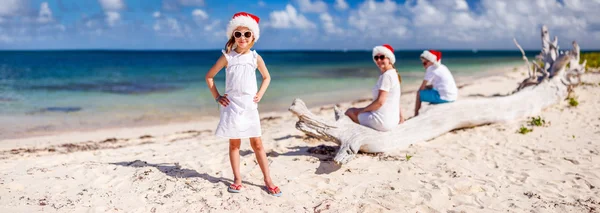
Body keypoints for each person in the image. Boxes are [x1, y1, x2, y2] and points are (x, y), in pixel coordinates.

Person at [204, 12, 281, 197]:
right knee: (234, 145)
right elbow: (209, 76)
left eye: (247, 34)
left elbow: (267, 77)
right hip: (232, 106)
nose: (242, 38)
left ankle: (268, 180)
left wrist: (260, 94)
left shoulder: (255, 57)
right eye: (238, 34)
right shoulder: (227, 57)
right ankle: (237, 179)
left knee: (258, 144)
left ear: (253, 36)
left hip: (249, 107)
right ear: (233, 36)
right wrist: (217, 97)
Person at [345, 44, 405, 131]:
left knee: (350, 112)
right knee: (356, 111)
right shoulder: (394, 74)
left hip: (383, 122)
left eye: (382, 57)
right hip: (392, 121)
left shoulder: (387, 76)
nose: (379, 60)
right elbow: (396, 99)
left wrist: (363, 110)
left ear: (390, 59)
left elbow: (380, 102)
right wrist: (401, 116)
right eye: (376, 58)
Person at [414, 50, 458, 116]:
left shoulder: (431, 69)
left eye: (425, 63)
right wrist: (428, 87)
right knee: (429, 90)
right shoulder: (442, 67)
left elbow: (422, 88)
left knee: (419, 93)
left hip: (445, 98)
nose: (424, 66)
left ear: (431, 62)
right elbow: (440, 84)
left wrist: (425, 88)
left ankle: (416, 114)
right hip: (453, 96)